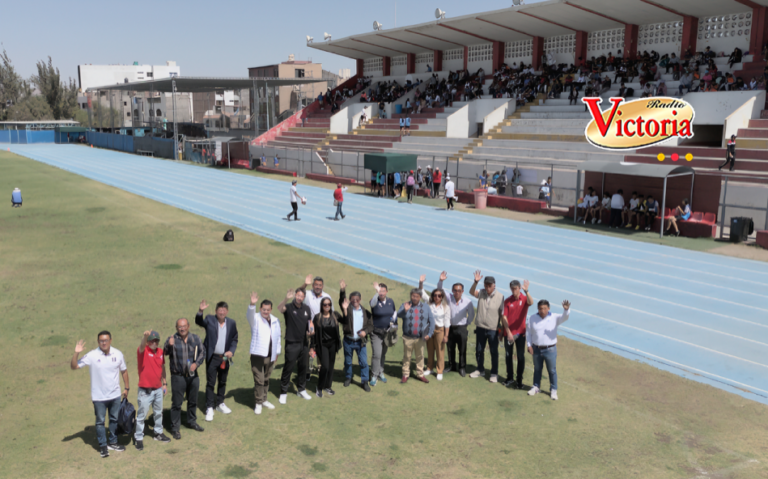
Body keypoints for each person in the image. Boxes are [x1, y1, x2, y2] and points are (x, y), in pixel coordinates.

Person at [71, 331, 130, 458]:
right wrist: (76, 352)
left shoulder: (118, 354)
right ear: (98, 342)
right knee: (100, 422)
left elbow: (124, 371)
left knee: (114, 419)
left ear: (110, 340)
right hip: (99, 397)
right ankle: (103, 446)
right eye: (101, 341)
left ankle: (113, 442)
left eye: (106, 340)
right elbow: (74, 366)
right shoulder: (92, 355)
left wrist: (126, 388)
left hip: (115, 395)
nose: (104, 343)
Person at [195, 300, 238, 422]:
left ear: (227, 312)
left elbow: (234, 339)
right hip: (212, 358)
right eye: (220, 310)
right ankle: (209, 407)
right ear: (216, 311)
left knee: (223, 381)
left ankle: (220, 403)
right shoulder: (209, 319)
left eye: (224, 310)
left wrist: (231, 351)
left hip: (225, 358)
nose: (222, 312)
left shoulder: (231, 323)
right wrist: (200, 311)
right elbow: (199, 322)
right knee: (211, 383)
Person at [164, 318, 205, 439]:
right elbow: (165, 352)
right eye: (180, 327)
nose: (182, 328)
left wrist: (196, 364)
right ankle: (175, 428)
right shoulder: (172, 339)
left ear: (188, 326)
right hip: (178, 376)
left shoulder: (195, 338)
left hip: (193, 376)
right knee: (177, 403)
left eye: (184, 326)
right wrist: (169, 345)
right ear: (176, 328)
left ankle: (192, 422)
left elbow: (203, 352)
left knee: (193, 400)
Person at [527, 299, 571, 400]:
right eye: (540, 308)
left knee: (552, 370)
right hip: (536, 348)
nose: (542, 310)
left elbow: (565, 317)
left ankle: (553, 390)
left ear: (548, 308)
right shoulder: (533, 318)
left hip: (550, 349)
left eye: (544, 308)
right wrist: (529, 345)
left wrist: (566, 310)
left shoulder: (554, 317)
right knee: (537, 369)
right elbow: (528, 332)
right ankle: (536, 386)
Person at [134, 330, 170, 450]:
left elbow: (162, 367)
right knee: (141, 415)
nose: (154, 343)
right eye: (151, 341)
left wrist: (164, 383)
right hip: (145, 391)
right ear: (148, 342)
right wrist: (144, 337)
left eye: (156, 341)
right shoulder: (143, 352)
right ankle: (138, 437)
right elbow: (142, 346)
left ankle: (158, 433)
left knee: (158, 412)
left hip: (158, 389)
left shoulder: (160, 352)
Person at [277, 287, 314, 403]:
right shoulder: (288, 307)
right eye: (297, 295)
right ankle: (283, 392)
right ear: (295, 296)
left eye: (301, 296)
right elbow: (280, 308)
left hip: (303, 343)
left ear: (304, 298)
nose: (299, 298)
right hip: (291, 343)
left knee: (303, 367)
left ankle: (301, 389)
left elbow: (310, 322)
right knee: (288, 367)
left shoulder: (306, 308)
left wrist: (311, 330)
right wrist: (285, 299)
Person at [247, 293, 281, 414]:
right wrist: (252, 304)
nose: (265, 312)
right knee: (259, 380)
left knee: (266, 378)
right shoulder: (255, 318)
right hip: (257, 355)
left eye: (268, 310)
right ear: (260, 309)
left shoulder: (276, 320)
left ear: (271, 310)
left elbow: (278, 338)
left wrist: (277, 353)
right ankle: (258, 402)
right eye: (263, 309)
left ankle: (264, 399)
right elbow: (249, 315)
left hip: (270, 355)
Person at [397, 275, 435, 383]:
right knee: (407, 357)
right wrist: (404, 310)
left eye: (417, 296)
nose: (414, 298)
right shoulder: (405, 304)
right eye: (413, 296)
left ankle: (420, 374)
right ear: (411, 296)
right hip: (407, 337)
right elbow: (398, 315)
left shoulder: (426, 307)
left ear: (420, 297)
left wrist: (430, 334)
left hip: (420, 338)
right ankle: (405, 374)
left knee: (420, 357)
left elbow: (431, 321)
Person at [468, 271, 504, 383]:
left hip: (493, 329)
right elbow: (471, 292)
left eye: (490, 285)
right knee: (479, 350)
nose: (488, 287)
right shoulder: (481, 293)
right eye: (486, 285)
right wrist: (475, 282)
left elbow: (502, 314)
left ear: (494, 285)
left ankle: (494, 373)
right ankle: (480, 369)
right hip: (480, 327)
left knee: (494, 352)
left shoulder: (500, 297)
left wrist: (501, 330)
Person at [338, 280, 374, 391]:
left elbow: (371, 325)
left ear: (360, 300)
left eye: (357, 299)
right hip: (348, 341)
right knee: (348, 361)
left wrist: (365, 332)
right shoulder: (347, 309)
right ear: (349, 300)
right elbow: (341, 301)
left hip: (360, 342)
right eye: (352, 299)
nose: (355, 301)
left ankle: (364, 382)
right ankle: (348, 377)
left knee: (363, 362)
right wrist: (342, 290)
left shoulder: (366, 312)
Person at [435, 274, 474, 377]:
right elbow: (440, 290)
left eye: (459, 290)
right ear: (452, 291)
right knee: (450, 348)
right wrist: (441, 281)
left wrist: (467, 323)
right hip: (450, 328)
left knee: (462, 349)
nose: (457, 292)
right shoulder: (448, 298)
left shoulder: (467, 302)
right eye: (455, 290)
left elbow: (471, 314)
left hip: (462, 328)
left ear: (462, 291)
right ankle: (452, 365)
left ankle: (462, 367)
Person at [502, 280, 533, 389]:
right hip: (508, 334)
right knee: (508, 356)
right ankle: (509, 377)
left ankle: (519, 380)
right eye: (512, 288)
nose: (514, 290)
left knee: (520, 357)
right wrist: (508, 332)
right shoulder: (507, 301)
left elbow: (531, 302)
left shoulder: (524, 299)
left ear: (519, 288)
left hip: (521, 334)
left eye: (516, 288)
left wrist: (527, 291)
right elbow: (504, 317)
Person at [309, 297, 341, 397]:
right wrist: (311, 347)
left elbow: (345, 320)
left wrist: (344, 308)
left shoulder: (335, 315)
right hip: (322, 345)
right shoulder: (317, 317)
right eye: (325, 304)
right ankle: (319, 387)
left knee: (331, 367)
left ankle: (327, 386)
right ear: (322, 306)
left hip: (333, 344)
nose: (327, 306)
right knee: (325, 366)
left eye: (329, 304)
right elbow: (313, 334)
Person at [369, 282, 397, 386]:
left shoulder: (390, 301)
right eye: (380, 290)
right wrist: (376, 292)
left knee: (383, 354)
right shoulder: (374, 301)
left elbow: (394, 314)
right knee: (376, 354)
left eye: (383, 291)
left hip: (387, 333)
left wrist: (395, 327)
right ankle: (374, 375)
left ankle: (381, 372)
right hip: (376, 333)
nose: (381, 293)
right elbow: (372, 304)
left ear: (387, 291)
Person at [423, 275, 451, 381]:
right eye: (435, 295)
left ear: (442, 297)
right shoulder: (429, 303)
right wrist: (421, 283)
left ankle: (439, 371)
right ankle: (429, 368)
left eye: (439, 296)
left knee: (440, 351)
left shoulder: (446, 307)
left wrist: (446, 335)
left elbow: (447, 322)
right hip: (430, 330)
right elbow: (422, 293)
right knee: (430, 350)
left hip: (440, 330)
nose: (437, 297)